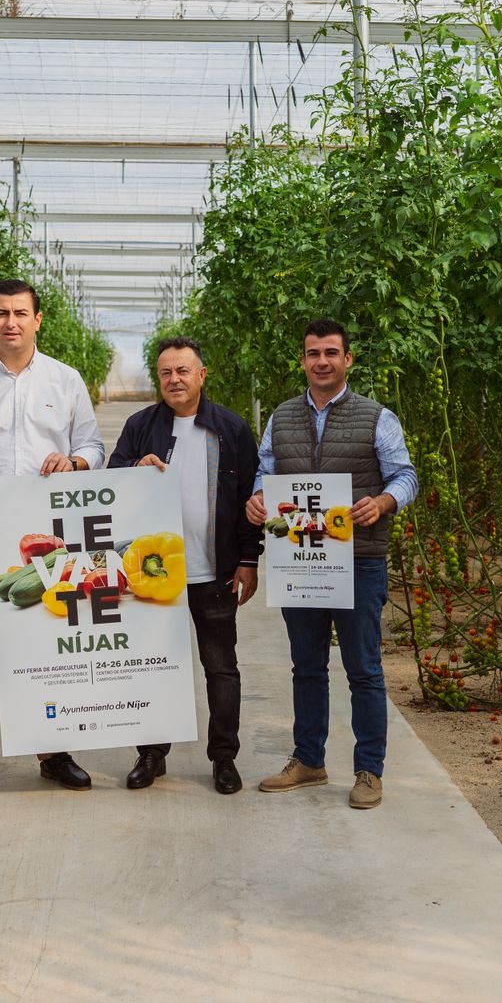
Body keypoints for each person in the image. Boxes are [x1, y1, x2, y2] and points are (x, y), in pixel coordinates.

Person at [0, 279, 105, 795]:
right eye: (2, 313)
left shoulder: (65, 380)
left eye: (21, 313)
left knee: (44, 641)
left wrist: (72, 461)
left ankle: (51, 750)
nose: (11, 321)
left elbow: (93, 446)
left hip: (49, 528)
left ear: (38, 320)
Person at [244, 319, 418, 810]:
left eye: (331, 353)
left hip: (358, 559)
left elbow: (405, 475)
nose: (322, 361)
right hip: (300, 559)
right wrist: (258, 498)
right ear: (302, 360)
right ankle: (308, 760)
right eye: (313, 353)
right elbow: (266, 469)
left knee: (363, 667)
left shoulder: (376, 417)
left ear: (347, 360)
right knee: (306, 665)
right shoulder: (281, 417)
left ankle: (369, 770)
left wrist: (383, 503)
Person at [107, 337, 260, 794]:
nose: (174, 379)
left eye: (183, 371)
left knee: (221, 667)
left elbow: (251, 498)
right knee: (153, 666)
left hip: (213, 571)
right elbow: (113, 478)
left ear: (201, 375)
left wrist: (249, 560)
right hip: (155, 575)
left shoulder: (230, 429)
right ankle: (151, 753)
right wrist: (136, 466)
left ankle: (224, 758)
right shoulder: (140, 425)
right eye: (166, 373)